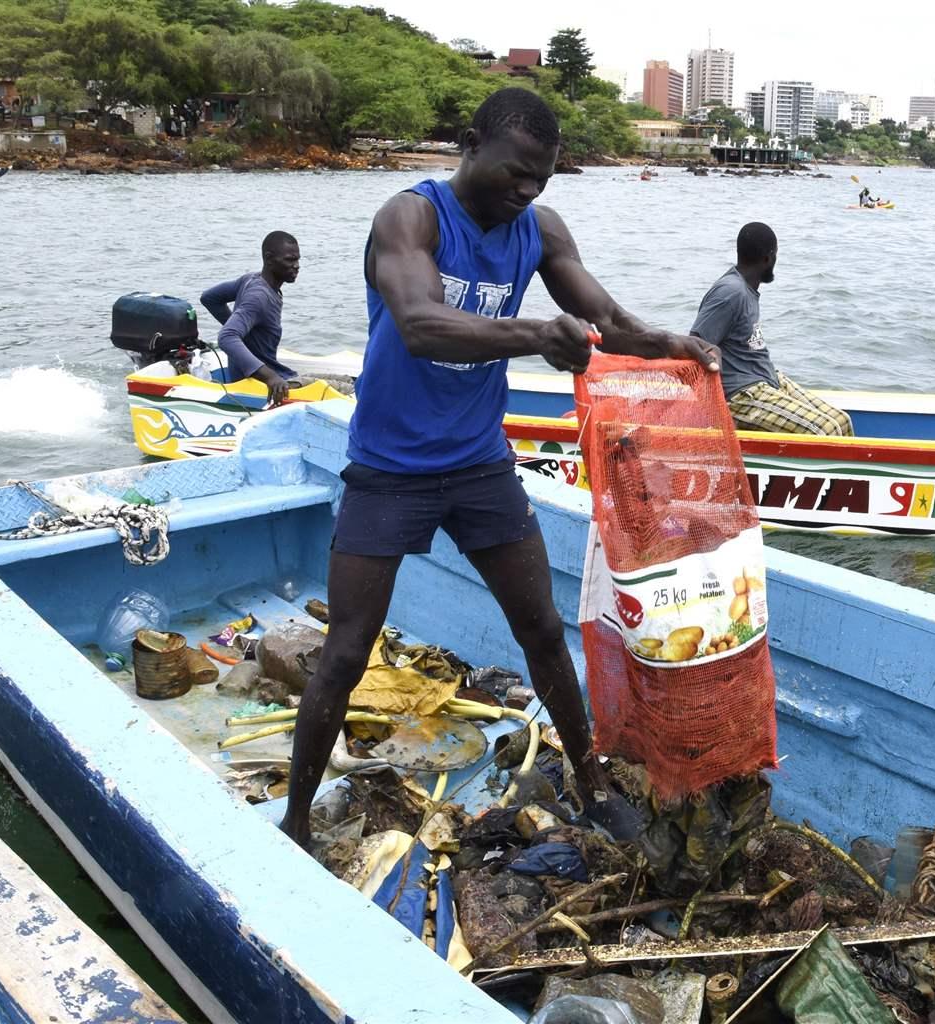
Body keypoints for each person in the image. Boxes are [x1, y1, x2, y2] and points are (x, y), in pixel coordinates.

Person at [279, 87, 719, 850]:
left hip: (480, 464)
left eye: (541, 178)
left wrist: (670, 342)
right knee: (348, 648)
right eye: (516, 173)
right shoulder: (409, 218)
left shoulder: (539, 229)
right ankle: (292, 820)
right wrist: (535, 335)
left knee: (543, 631)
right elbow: (420, 325)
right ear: (470, 141)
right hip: (388, 466)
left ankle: (593, 785)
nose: (527, 191)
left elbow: (608, 323)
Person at [691, 223, 853, 436]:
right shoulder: (730, 293)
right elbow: (695, 343)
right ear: (768, 259)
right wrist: (713, 406)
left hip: (766, 378)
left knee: (842, 421)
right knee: (826, 430)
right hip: (741, 394)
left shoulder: (746, 289)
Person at [200, 232, 300, 407]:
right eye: (290, 260)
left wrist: (244, 330)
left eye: (297, 260)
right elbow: (227, 336)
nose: (297, 266)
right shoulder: (259, 297)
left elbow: (209, 298)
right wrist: (270, 377)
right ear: (269, 259)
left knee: (344, 380)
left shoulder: (251, 280)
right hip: (257, 384)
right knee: (344, 387)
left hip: (264, 374)